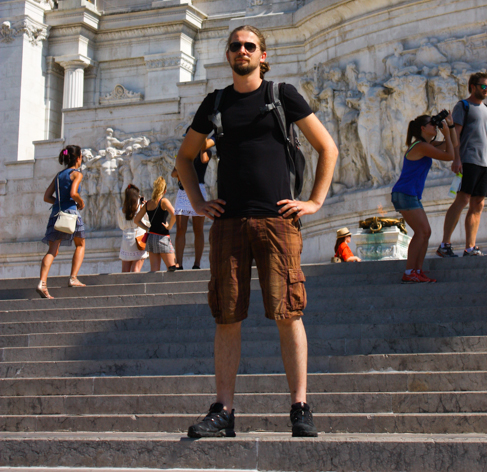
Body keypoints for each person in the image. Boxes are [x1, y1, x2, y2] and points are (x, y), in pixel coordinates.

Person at [176, 24, 338, 439]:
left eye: (249, 46)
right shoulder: (215, 102)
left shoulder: (281, 94)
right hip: (228, 222)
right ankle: (223, 411)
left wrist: (314, 202)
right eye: (235, 46)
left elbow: (328, 147)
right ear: (227, 54)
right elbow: (185, 157)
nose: (242, 51)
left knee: (288, 313)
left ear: (263, 55)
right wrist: (197, 202)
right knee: (226, 315)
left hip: (277, 220)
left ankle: (300, 407)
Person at [437, 72, 487, 258]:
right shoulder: (463, 106)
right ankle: (445, 244)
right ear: (472, 86)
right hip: (468, 160)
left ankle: (470, 247)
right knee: (462, 199)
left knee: (478, 204)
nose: (486, 89)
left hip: (484, 164)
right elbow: (455, 134)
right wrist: (456, 158)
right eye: (483, 86)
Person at [391, 113, 456, 283]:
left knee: (425, 232)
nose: (435, 126)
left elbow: (454, 145)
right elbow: (450, 156)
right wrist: (446, 133)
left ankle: (417, 271)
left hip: (410, 194)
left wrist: (450, 127)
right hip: (405, 193)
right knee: (422, 232)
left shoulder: (427, 145)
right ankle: (409, 271)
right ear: (422, 128)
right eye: (432, 124)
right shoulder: (421, 146)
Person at [37, 145, 87, 299]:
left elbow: (46, 196)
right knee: (80, 244)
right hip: (71, 214)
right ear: (78, 158)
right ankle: (73, 278)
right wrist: (81, 202)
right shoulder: (76, 174)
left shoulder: (59, 175)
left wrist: (59, 202)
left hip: (56, 214)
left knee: (52, 250)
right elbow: (73, 193)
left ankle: (42, 282)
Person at [171, 133, 215, 270]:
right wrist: (180, 167)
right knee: (180, 229)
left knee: (198, 230)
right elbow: (173, 173)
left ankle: (197, 263)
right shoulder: (184, 154)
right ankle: (179, 263)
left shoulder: (206, 151)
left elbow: (203, 160)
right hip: (184, 190)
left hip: (199, 188)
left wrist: (201, 145)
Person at [134, 176, 176, 271]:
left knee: (154, 270)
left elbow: (136, 220)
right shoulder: (164, 201)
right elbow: (174, 214)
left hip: (151, 237)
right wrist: (169, 226)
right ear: (164, 190)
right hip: (162, 237)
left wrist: (147, 228)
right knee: (172, 268)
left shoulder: (148, 204)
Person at [117, 184, 148, 273]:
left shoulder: (121, 210)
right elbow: (148, 223)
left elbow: (121, 226)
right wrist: (145, 208)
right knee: (136, 270)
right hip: (139, 240)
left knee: (125, 271)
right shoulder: (141, 209)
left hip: (126, 242)